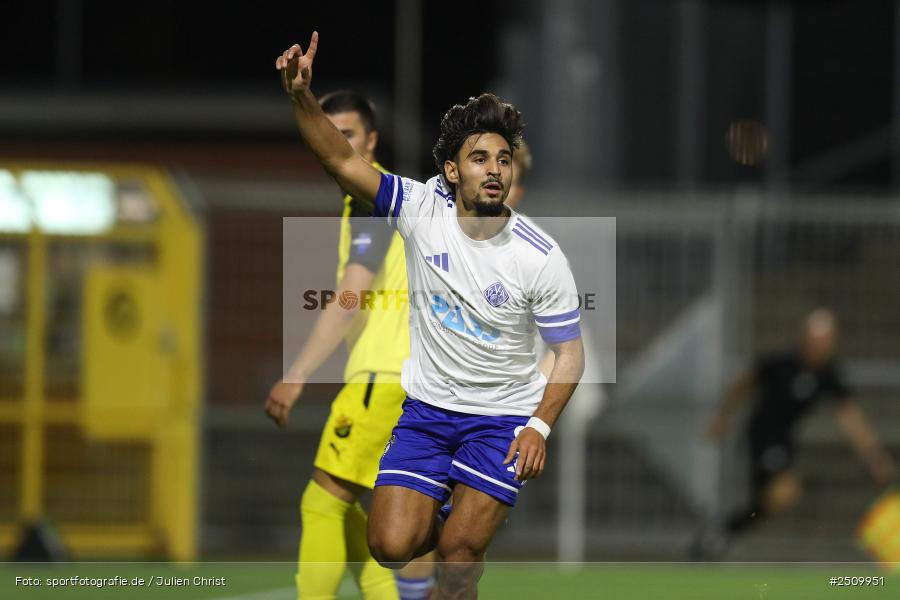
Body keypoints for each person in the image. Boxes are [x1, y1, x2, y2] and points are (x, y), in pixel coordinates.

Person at [275, 33, 585, 598]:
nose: (494, 170)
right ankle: (449, 514)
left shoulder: (541, 256)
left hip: (501, 422)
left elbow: (571, 353)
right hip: (427, 413)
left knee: (460, 558)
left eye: (503, 159)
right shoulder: (420, 209)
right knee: (390, 546)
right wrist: (302, 97)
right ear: (450, 170)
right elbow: (341, 158)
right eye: (479, 158)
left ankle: (462, 534)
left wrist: (539, 426)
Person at [264, 90, 434, 600]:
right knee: (346, 510)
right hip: (407, 379)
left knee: (322, 500)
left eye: (349, 135)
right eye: (329, 132)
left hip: (383, 377)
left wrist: (296, 375)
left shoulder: (370, 199)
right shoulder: (386, 198)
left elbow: (351, 297)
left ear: (372, 140)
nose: (336, 142)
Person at [701, 308, 896, 556]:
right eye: (819, 339)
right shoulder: (780, 363)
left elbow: (850, 418)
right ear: (807, 338)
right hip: (762, 435)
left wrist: (874, 457)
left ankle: (721, 533)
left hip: (784, 440)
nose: (823, 345)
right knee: (783, 492)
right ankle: (723, 532)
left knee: (776, 499)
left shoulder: (828, 373)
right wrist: (722, 417)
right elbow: (742, 385)